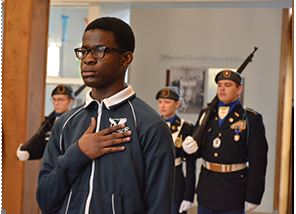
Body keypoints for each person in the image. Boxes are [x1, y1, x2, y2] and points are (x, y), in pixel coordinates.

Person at [36, 17, 175, 214]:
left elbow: (159, 206)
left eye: (100, 50)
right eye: (84, 51)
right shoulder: (65, 124)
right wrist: (78, 153)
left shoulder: (150, 125)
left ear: (126, 58)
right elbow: (45, 199)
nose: (88, 58)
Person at [182, 70, 268, 214]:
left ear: (239, 89)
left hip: (234, 190)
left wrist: (254, 195)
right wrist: (191, 148)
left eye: (228, 85)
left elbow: (258, 160)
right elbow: (199, 148)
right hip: (207, 189)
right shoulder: (207, 114)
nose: (222, 88)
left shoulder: (250, 118)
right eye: (219, 85)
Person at [156, 86, 196, 214]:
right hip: (155, 178)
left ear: (177, 104)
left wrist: (188, 196)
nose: (162, 106)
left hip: (175, 179)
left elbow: (191, 166)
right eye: (160, 101)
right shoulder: (153, 125)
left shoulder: (186, 127)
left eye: (167, 102)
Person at [16, 84, 74, 161]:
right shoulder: (49, 124)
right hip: (50, 168)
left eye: (60, 99)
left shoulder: (76, 122)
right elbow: (41, 148)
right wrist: (28, 152)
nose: (56, 103)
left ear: (71, 101)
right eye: (54, 99)